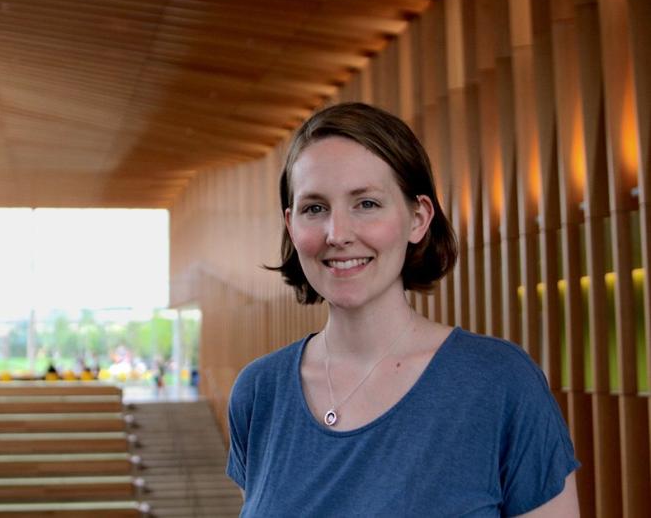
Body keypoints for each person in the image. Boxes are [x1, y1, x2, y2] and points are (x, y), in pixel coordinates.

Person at [226, 103, 580, 517]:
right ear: (292, 225)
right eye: (314, 208)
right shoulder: (259, 393)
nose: (337, 234)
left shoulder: (499, 384)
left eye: (367, 204)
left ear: (418, 218)